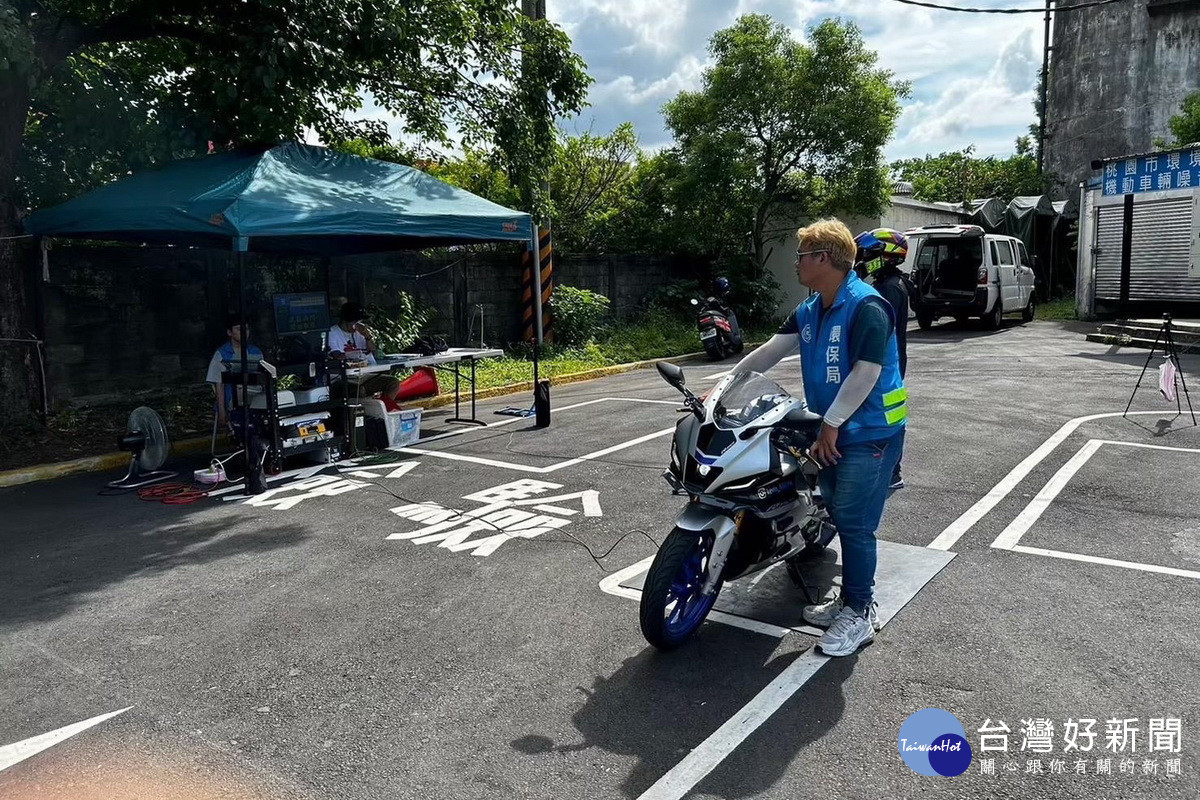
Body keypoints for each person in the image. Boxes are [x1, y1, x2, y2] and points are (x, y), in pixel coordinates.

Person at [728, 218, 906, 657]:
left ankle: (861, 610)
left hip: (870, 432)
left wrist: (831, 424)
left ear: (824, 258)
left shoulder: (867, 306)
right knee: (838, 514)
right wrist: (726, 384)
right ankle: (849, 600)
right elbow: (771, 349)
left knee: (856, 523)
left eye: (802, 255)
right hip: (834, 428)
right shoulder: (810, 308)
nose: (797, 264)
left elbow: (867, 372)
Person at [855, 228, 910, 490]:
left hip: (888, 365)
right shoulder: (889, 284)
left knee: (886, 417)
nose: (863, 259)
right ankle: (889, 470)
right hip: (894, 362)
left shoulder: (889, 289)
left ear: (885, 257)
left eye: (868, 254)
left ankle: (891, 472)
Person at [327, 302, 402, 407]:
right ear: (346, 321)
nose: (358, 324)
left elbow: (374, 352)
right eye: (355, 321)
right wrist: (355, 354)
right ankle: (362, 416)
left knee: (393, 383)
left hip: (363, 375)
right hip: (343, 378)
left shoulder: (359, 332)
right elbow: (337, 356)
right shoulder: (332, 333)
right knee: (359, 390)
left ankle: (385, 409)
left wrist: (367, 337)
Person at [206, 313, 265, 432]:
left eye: (246, 329)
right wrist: (222, 411)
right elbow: (219, 383)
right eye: (239, 329)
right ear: (229, 333)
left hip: (257, 396)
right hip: (232, 398)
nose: (244, 332)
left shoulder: (256, 352)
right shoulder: (222, 354)